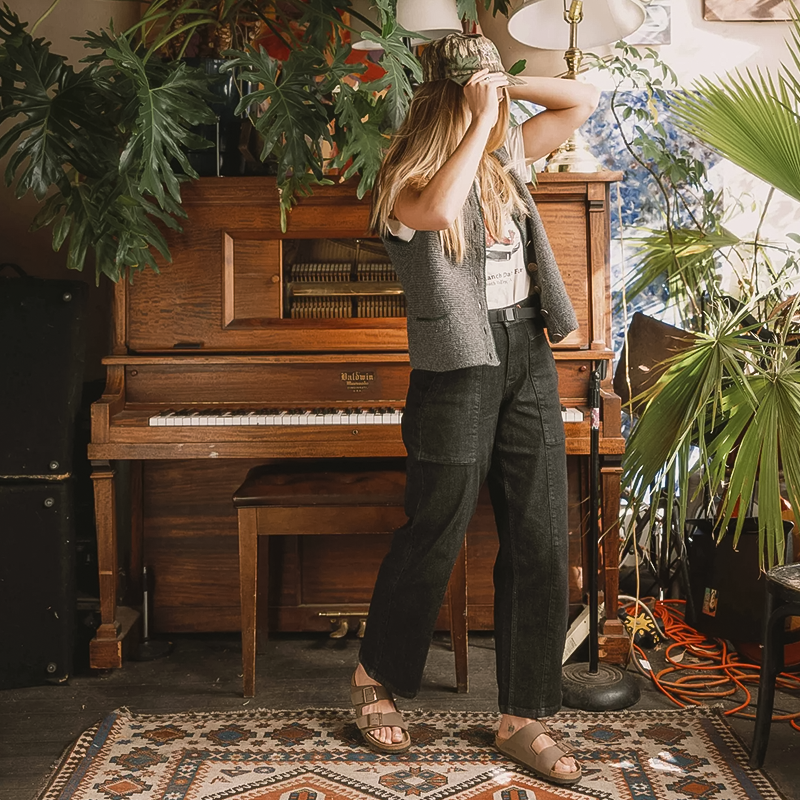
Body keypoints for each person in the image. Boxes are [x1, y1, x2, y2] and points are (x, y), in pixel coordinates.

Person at [349, 33, 599, 787]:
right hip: (457, 367)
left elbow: (582, 100)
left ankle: (524, 715)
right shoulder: (405, 183)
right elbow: (442, 208)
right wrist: (466, 120)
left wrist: (503, 94)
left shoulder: (504, 156)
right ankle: (372, 675)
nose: (493, 109)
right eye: (478, 93)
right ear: (442, 104)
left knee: (538, 533)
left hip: (527, 352)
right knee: (436, 529)